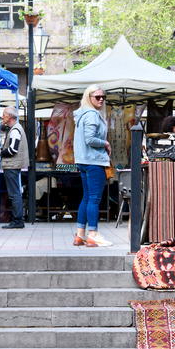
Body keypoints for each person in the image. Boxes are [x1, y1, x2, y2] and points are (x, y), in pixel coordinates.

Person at [73, 84, 113, 248]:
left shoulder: (81, 114)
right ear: (88, 98)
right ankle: (93, 234)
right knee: (94, 199)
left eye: (103, 96)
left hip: (83, 161)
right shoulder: (91, 115)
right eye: (97, 97)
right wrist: (105, 143)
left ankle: (80, 235)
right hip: (94, 161)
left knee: (87, 198)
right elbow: (90, 139)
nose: (101, 99)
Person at [0, 106, 28, 229]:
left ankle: (18, 220)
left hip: (12, 165)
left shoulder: (15, 130)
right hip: (13, 165)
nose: (2, 117)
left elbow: (12, 150)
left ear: (9, 116)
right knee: (15, 192)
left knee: (14, 193)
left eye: (4, 115)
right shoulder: (15, 128)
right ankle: (18, 220)